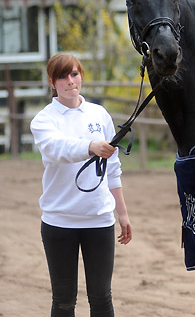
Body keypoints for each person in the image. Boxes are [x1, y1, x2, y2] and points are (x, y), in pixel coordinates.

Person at [30, 53, 132, 317]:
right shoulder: (44, 120)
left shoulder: (99, 114)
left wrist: (122, 214)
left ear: (81, 76)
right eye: (62, 76)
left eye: (74, 74)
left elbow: (112, 168)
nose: (70, 81)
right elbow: (56, 148)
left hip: (99, 220)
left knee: (101, 298)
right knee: (64, 300)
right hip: (59, 222)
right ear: (52, 82)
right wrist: (90, 147)